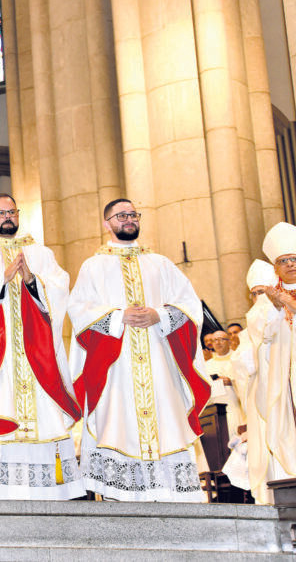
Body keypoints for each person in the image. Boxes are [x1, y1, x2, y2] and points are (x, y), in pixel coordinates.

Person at [68, 198, 209, 502]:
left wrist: (160, 315)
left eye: (133, 214)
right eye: (121, 216)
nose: (129, 219)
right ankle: (123, 498)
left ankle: (172, 496)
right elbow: (78, 310)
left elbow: (190, 304)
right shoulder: (93, 266)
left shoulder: (161, 264)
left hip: (160, 362)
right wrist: (119, 317)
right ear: (107, 223)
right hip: (116, 366)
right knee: (119, 423)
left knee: (168, 420)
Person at [0, 193, 83, 499]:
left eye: (11, 212)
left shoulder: (40, 253)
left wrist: (31, 279)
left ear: (18, 214)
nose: (7, 217)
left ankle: (48, 491)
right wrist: (2, 278)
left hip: (37, 354)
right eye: (0, 213)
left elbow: (60, 288)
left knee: (44, 417)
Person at [249, 221, 296, 496]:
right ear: (275, 268)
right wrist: (277, 309)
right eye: (283, 260)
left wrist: (289, 304)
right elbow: (261, 337)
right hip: (284, 375)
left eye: (294, 259)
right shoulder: (266, 302)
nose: (290, 264)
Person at [240, 259, 279, 502]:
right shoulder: (247, 329)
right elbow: (243, 367)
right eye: (254, 294)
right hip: (260, 395)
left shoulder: (285, 316)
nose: (258, 299)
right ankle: (268, 497)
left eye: (262, 292)